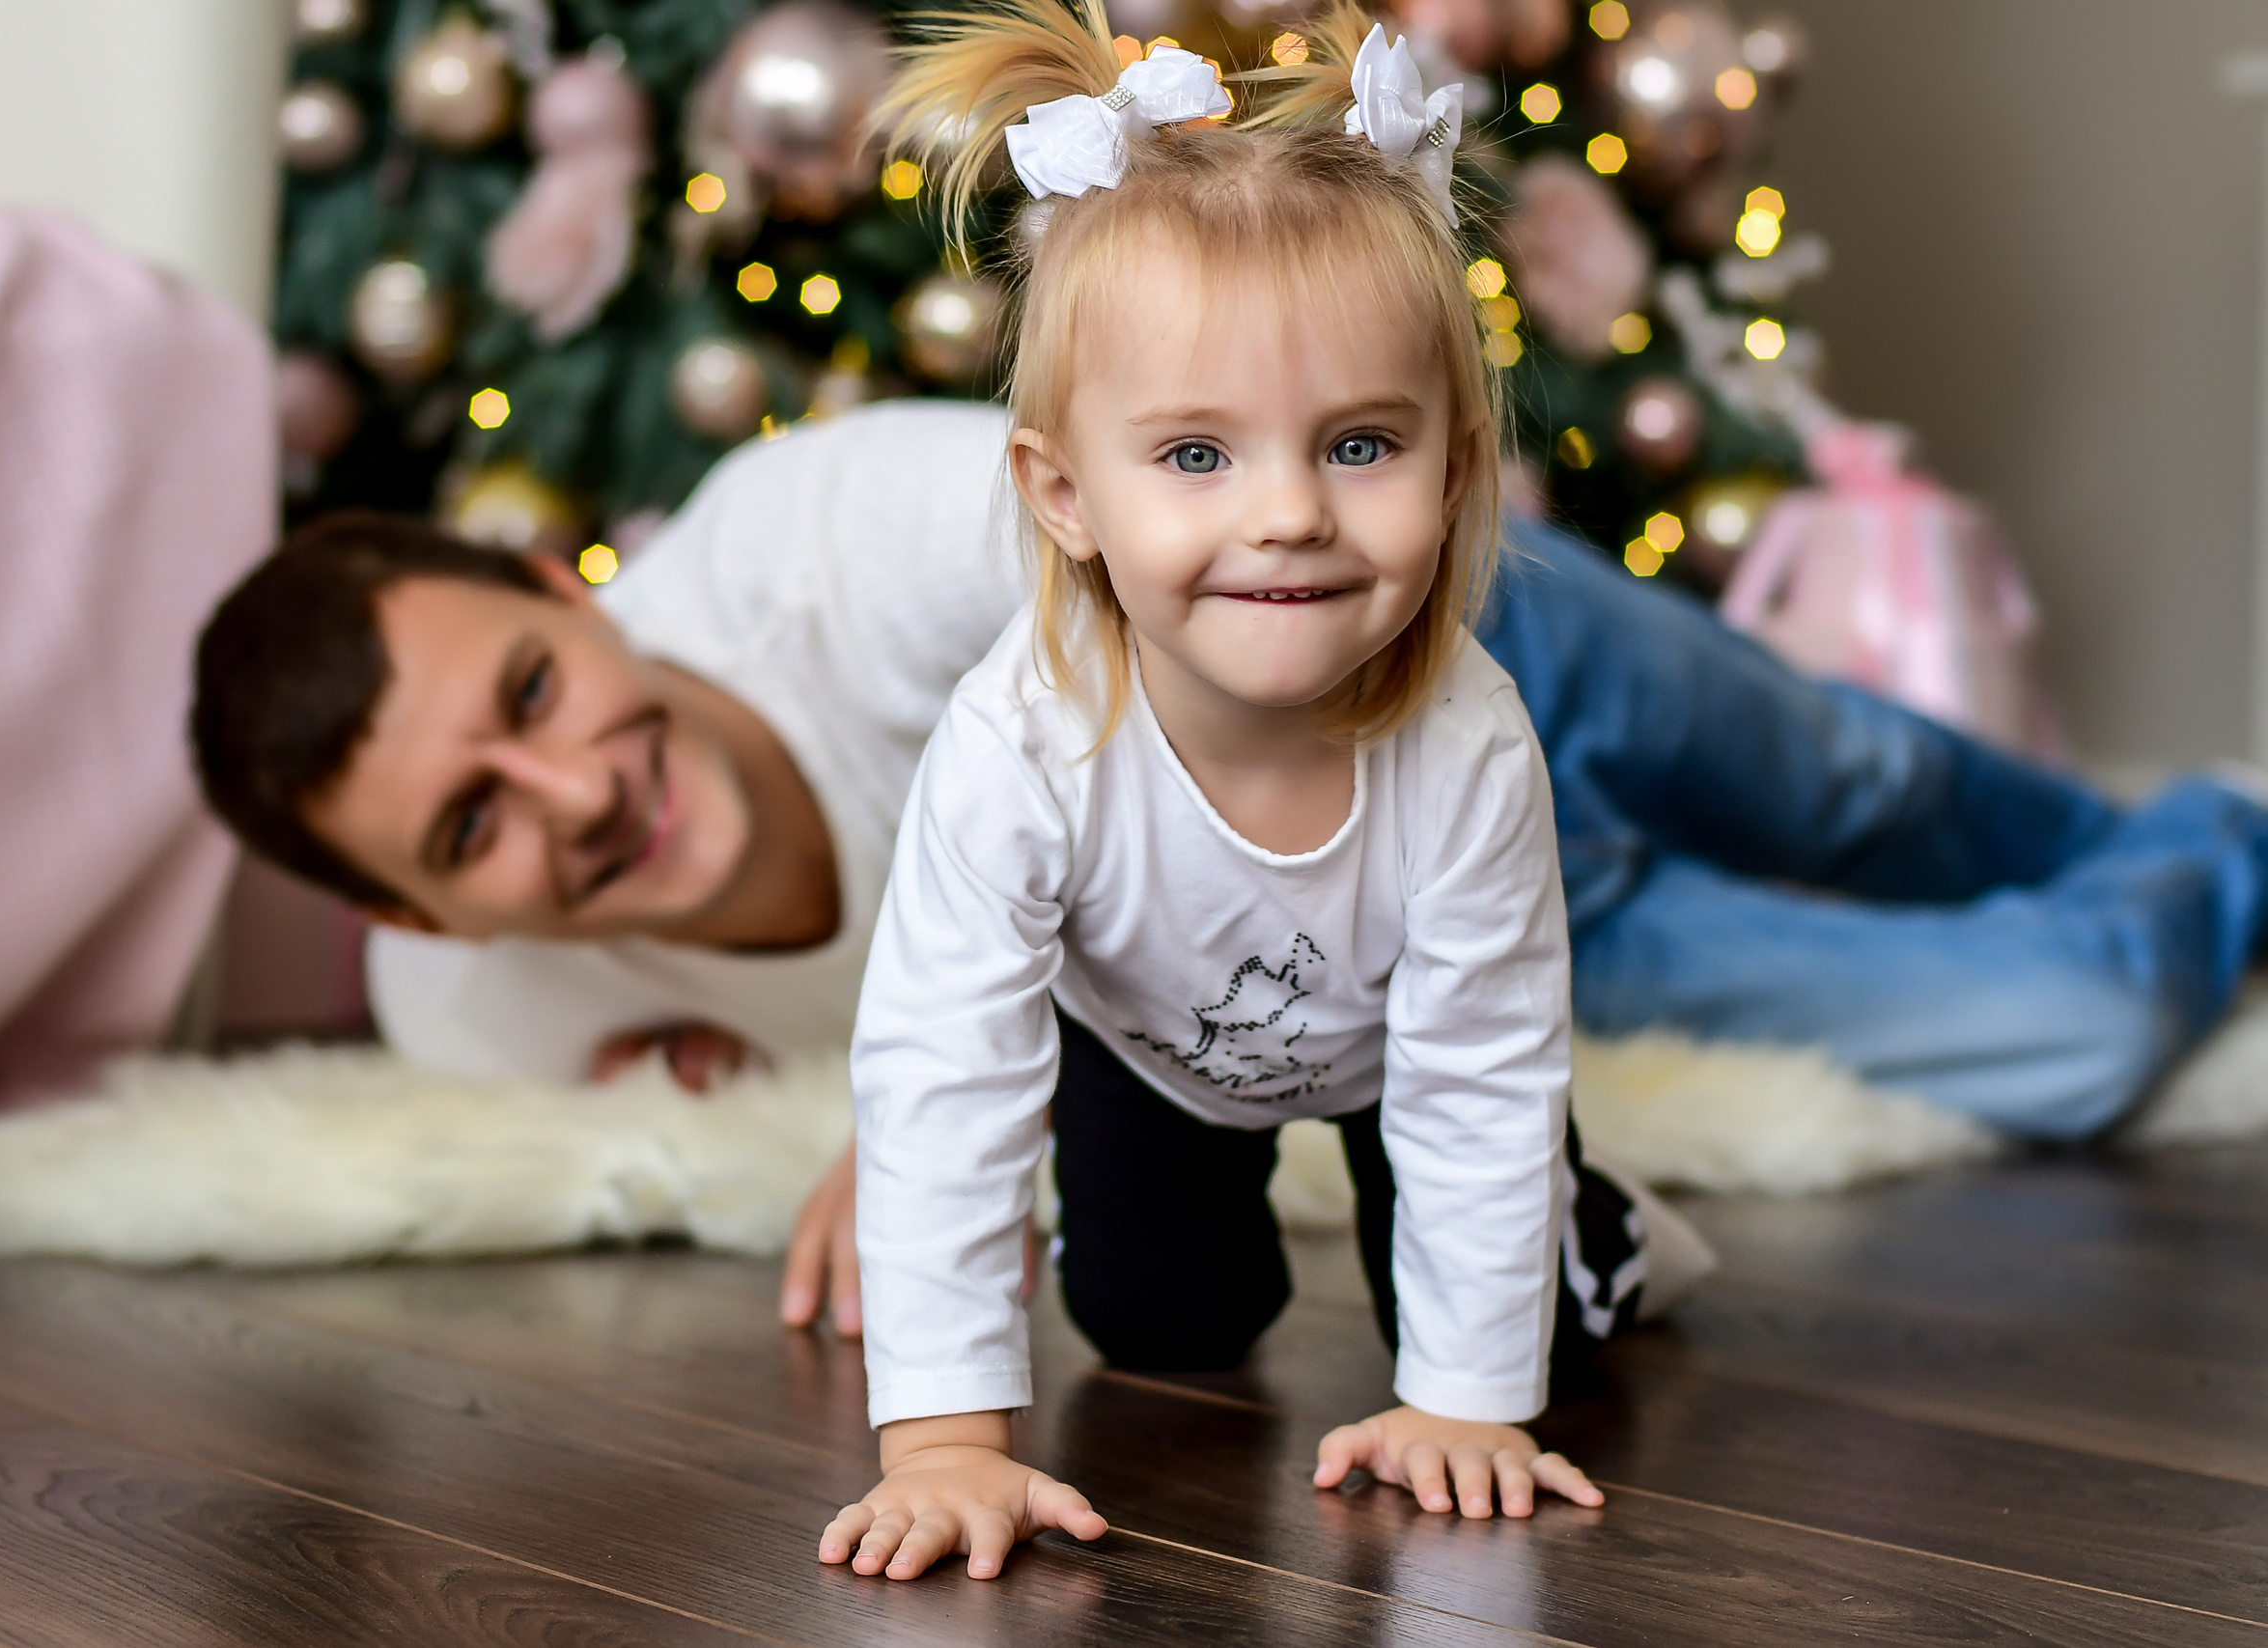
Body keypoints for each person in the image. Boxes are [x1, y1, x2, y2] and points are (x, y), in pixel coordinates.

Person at [189, 68, 2268, 1383]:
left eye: (535, 692)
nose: (573, 793)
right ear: (425, 923)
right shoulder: (471, 1020)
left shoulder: (826, 535)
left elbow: (1257, 512)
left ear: (576, 589)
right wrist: (890, 1140)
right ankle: (2218, 844)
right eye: (466, 829)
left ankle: (2104, 824)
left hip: (1449, 655)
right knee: (2046, 1023)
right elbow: (950, 1031)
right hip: (1367, 930)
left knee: (1872, 775)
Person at [815, 5, 1674, 1582]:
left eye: (1359, 444)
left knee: (1511, 1320)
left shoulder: (1469, 748)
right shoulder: (1021, 745)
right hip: (1148, 1049)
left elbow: (1478, 1070)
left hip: (1402, 1047)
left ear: (1458, 474)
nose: (1287, 516)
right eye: (1196, 457)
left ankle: (1595, 1221)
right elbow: (942, 1070)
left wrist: (1465, 1405)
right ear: (1063, 493)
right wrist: (944, 1444)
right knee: (1166, 1324)